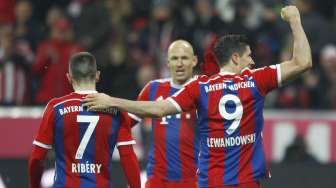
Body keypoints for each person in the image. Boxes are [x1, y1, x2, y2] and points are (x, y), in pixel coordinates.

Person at [84, 6, 312, 188]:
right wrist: (295, 20)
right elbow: (303, 62)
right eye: (248, 57)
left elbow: (160, 109)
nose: (252, 62)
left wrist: (111, 100)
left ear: (194, 61)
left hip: (208, 181)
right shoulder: (256, 80)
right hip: (244, 182)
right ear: (235, 58)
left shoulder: (200, 86)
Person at [28, 52, 141, 188]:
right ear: (98, 75)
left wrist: (34, 186)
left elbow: (37, 158)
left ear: (69, 78)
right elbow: (128, 157)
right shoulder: (116, 110)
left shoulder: (56, 108)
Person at [131, 40, 199, 188]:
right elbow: (127, 121)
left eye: (184, 58)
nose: (179, 63)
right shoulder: (153, 88)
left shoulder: (204, 91)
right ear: (168, 62)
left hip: (193, 180)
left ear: (194, 61)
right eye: (174, 58)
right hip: (158, 180)